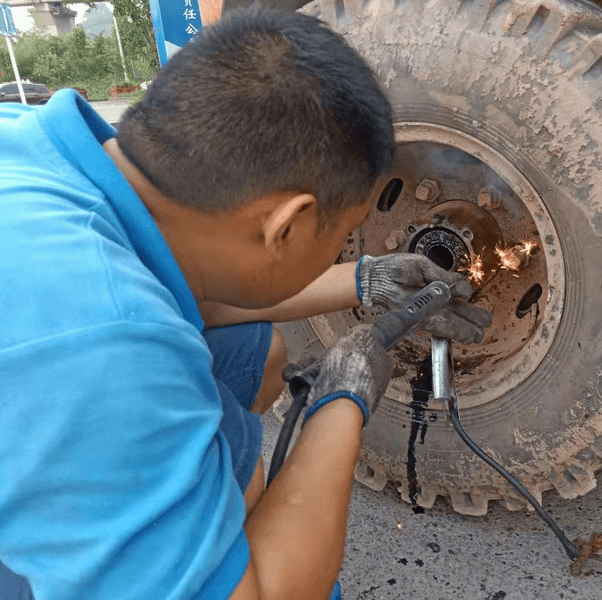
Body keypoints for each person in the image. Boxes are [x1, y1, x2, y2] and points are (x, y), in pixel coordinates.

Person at [0, 7, 491, 600]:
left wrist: (365, 280)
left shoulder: (32, 144)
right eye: (347, 232)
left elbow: (191, 298)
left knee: (249, 355)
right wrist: (342, 401)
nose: (345, 248)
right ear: (287, 224)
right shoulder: (102, 346)